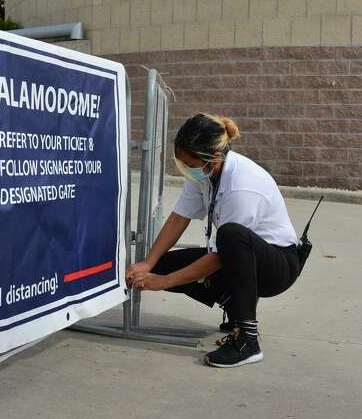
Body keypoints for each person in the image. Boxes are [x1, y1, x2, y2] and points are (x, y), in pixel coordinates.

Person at [126, 113, 301, 368]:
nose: (185, 167)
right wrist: (148, 264)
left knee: (230, 234)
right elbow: (178, 218)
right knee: (162, 265)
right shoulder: (206, 173)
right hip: (240, 259)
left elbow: (221, 254)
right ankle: (234, 303)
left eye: (189, 163)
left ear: (213, 158)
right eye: (181, 161)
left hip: (277, 267)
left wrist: (163, 283)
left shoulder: (242, 185)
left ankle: (247, 341)